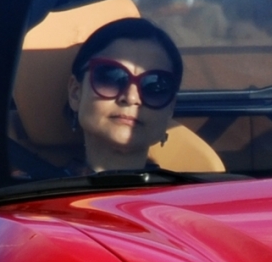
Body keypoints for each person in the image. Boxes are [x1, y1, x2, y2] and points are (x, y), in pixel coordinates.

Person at [63, 16, 185, 173]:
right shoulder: (30, 194)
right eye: (111, 77)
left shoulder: (197, 194)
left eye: (155, 87)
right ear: (75, 93)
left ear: (170, 108)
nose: (131, 98)